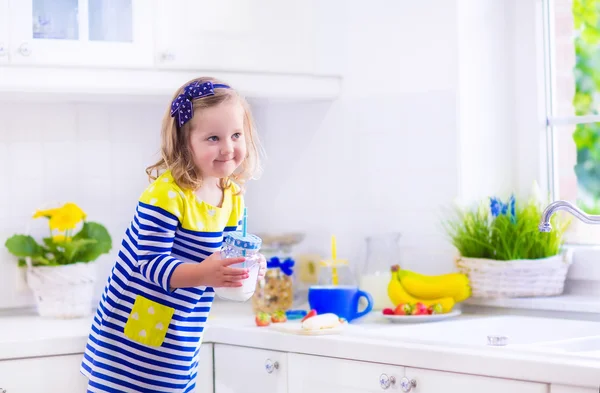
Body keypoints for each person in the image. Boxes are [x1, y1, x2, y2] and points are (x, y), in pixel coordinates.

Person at [80, 77, 266, 392]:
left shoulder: (233, 197)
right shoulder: (166, 194)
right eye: (212, 138)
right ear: (184, 142)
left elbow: (228, 256)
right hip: (133, 328)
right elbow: (149, 264)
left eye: (236, 134)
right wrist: (206, 272)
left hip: (183, 328)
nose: (228, 148)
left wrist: (246, 267)